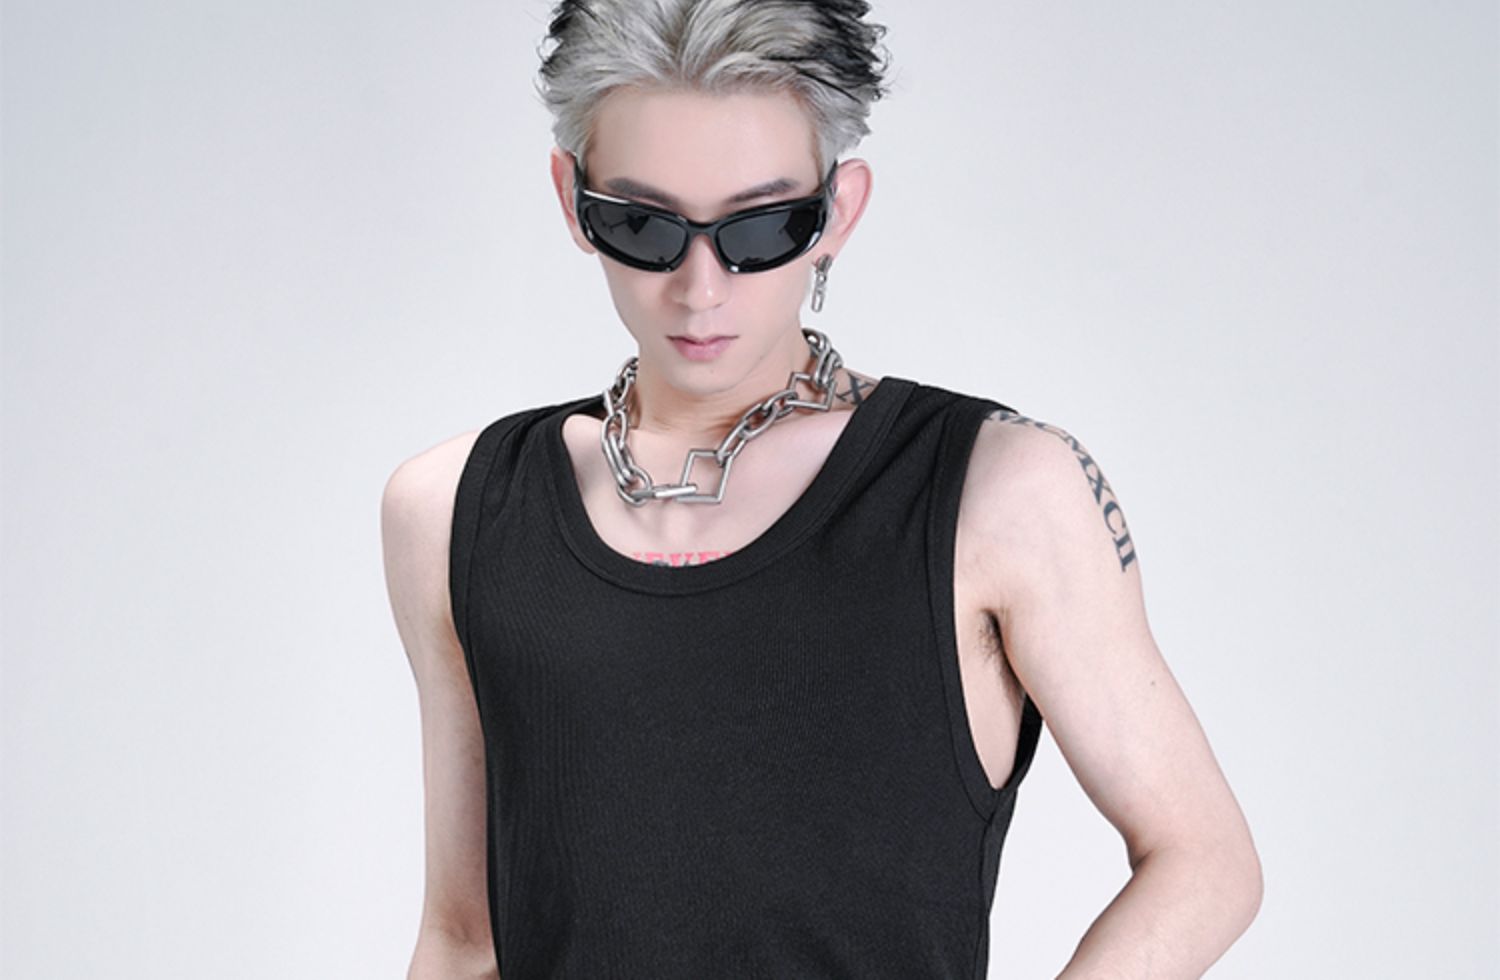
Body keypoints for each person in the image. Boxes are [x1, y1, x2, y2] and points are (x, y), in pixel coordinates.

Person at [381, 2, 1262, 977]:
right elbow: (462, 938)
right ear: (571, 199)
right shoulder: (452, 508)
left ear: (838, 210)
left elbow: (1204, 859)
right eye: (643, 224)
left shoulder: (1000, 491)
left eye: (762, 228)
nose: (701, 287)